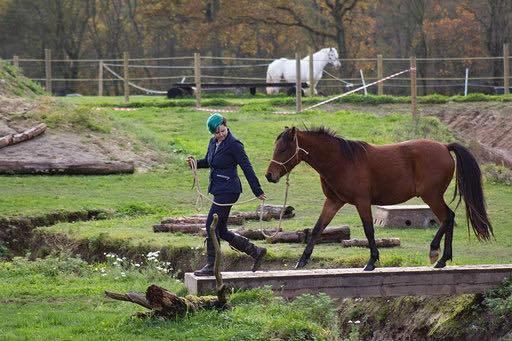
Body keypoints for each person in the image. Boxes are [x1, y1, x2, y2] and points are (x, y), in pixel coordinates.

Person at [187, 113, 267, 276]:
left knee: (211, 225)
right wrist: (195, 163)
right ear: (212, 133)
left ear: (226, 126)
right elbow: (210, 161)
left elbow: (247, 167)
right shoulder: (212, 142)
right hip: (218, 189)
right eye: (217, 133)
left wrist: (257, 190)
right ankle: (256, 251)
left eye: (223, 130)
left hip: (229, 190)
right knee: (221, 230)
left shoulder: (234, 144)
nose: (221, 134)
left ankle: (211, 265)